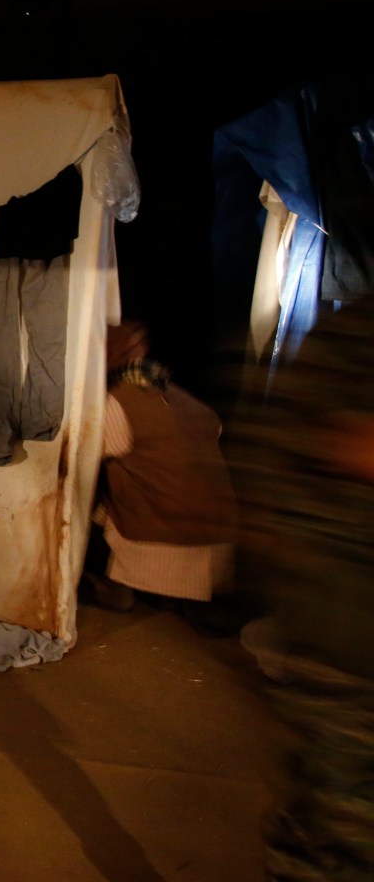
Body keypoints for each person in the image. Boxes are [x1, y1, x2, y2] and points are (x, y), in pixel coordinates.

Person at [230, 295, 374, 882]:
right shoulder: (355, 337)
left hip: (331, 621)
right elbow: (349, 445)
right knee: (343, 819)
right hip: (346, 635)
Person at [82, 322, 240, 618]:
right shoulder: (189, 401)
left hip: (162, 537)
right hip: (219, 538)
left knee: (77, 500)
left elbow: (80, 459)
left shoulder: (115, 405)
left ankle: (116, 589)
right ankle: (170, 596)